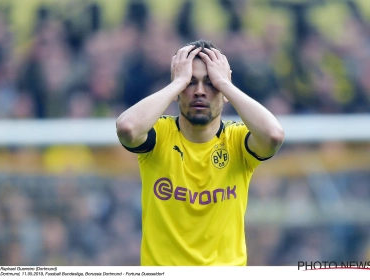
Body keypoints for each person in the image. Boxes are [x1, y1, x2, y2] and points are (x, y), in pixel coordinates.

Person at [116, 39, 284, 266]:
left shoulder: (236, 141)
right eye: (191, 83)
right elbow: (127, 128)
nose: (200, 92)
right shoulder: (161, 135)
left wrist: (224, 83)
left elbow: (273, 135)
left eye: (211, 83)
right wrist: (178, 83)